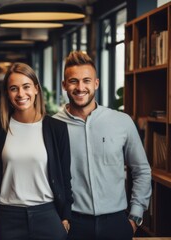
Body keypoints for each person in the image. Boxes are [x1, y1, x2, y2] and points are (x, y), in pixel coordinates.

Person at [53, 50, 152, 240]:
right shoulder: (52, 126)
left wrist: (135, 217)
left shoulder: (122, 122)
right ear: (64, 85)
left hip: (116, 223)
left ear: (96, 83)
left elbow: (141, 170)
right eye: (73, 81)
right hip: (72, 224)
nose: (80, 87)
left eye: (86, 81)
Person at [0, 62, 73, 240]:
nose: (21, 94)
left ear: (36, 89)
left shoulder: (57, 128)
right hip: (7, 217)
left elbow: (65, 177)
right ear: (7, 94)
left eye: (26, 87)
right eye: (13, 88)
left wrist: (65, 216)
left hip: (47, 215)